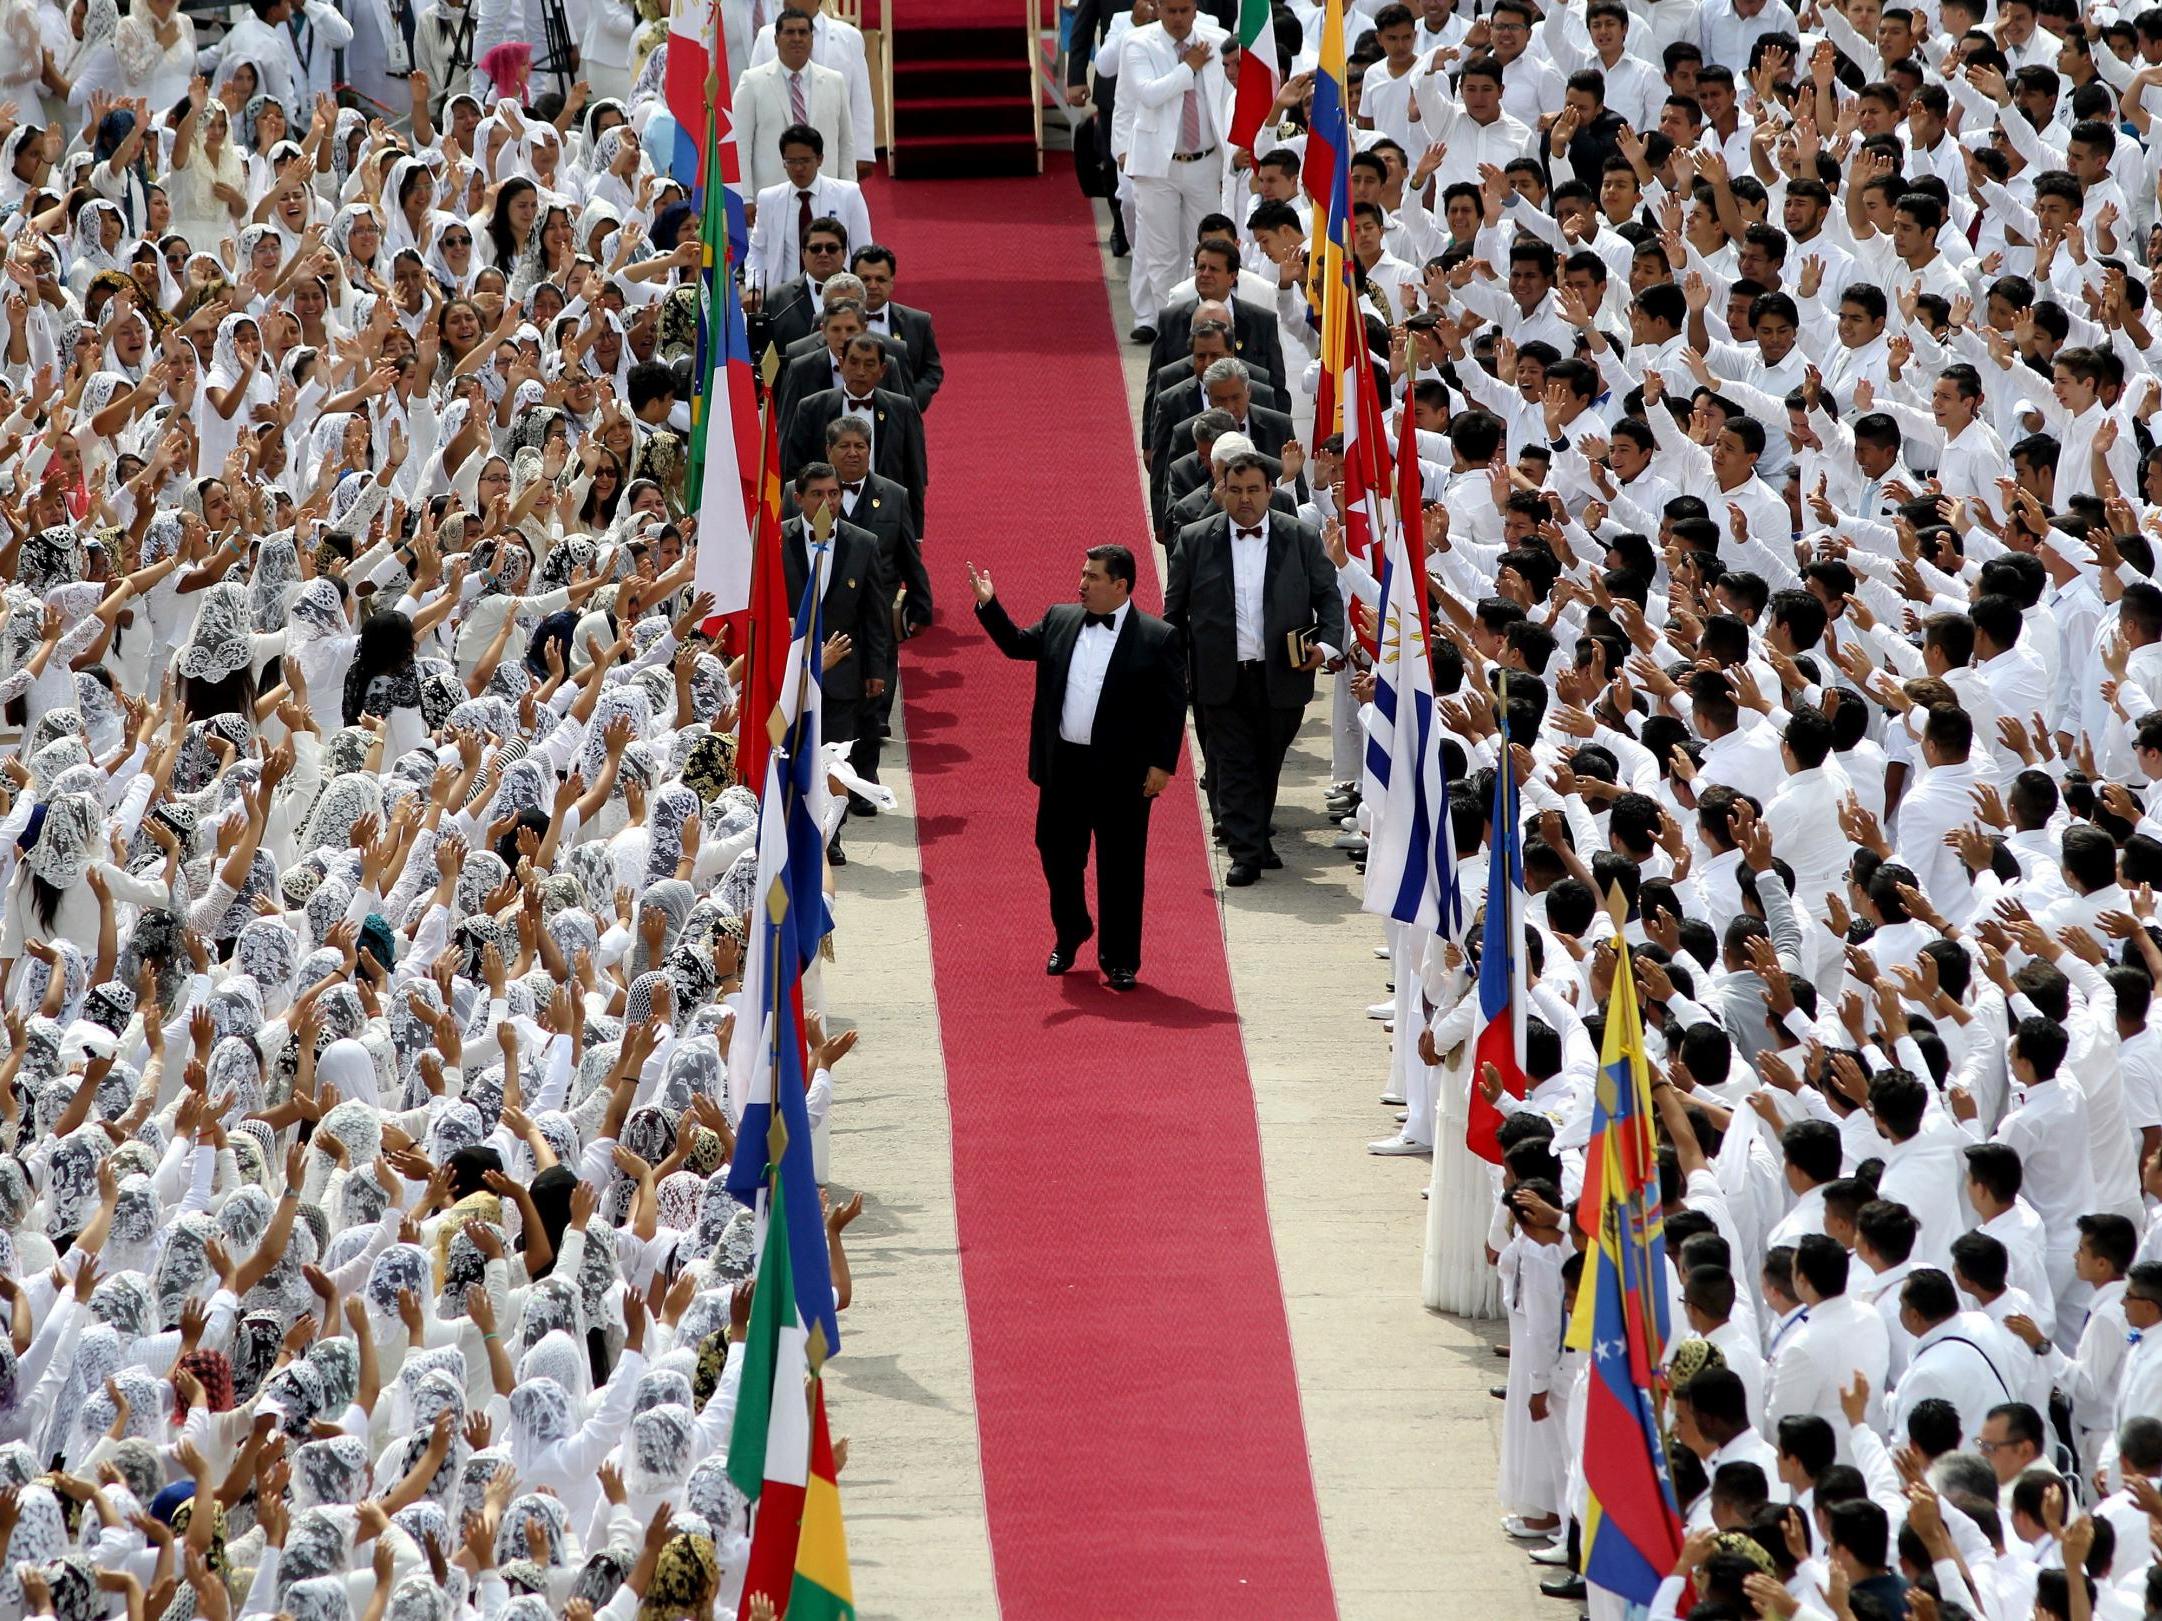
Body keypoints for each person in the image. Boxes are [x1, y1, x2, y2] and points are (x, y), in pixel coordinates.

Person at [971, 545, 1187, 988]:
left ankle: (1120, 959)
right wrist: (989, 604)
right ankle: (1072, 930)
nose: (1082, 584)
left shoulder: (1156, 637)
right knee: (1056, 854)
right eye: (1082, 574)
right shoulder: (1060, 618)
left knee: (1121, 868)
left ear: (1120, 586)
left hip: (1122, 773)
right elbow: (1015, 645)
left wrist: (1163, 765)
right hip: (1064, 766)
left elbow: (1170, 708)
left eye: (1092, 577)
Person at [1162, 451, 1344, 885]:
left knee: (1267, 762)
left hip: (1282, 673)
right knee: (1235, 763)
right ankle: (1245, 852)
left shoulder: (1300, 537)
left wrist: (1324, 646)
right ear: (1221, 490)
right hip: (1218, 675)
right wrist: (1173, 670)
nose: (1245, 499)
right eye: (1236, 490)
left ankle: (1257, 837)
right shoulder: (1194, 539)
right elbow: (1174, 613)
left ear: (1269, 491)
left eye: (1254, 490)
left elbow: (1329, 599)